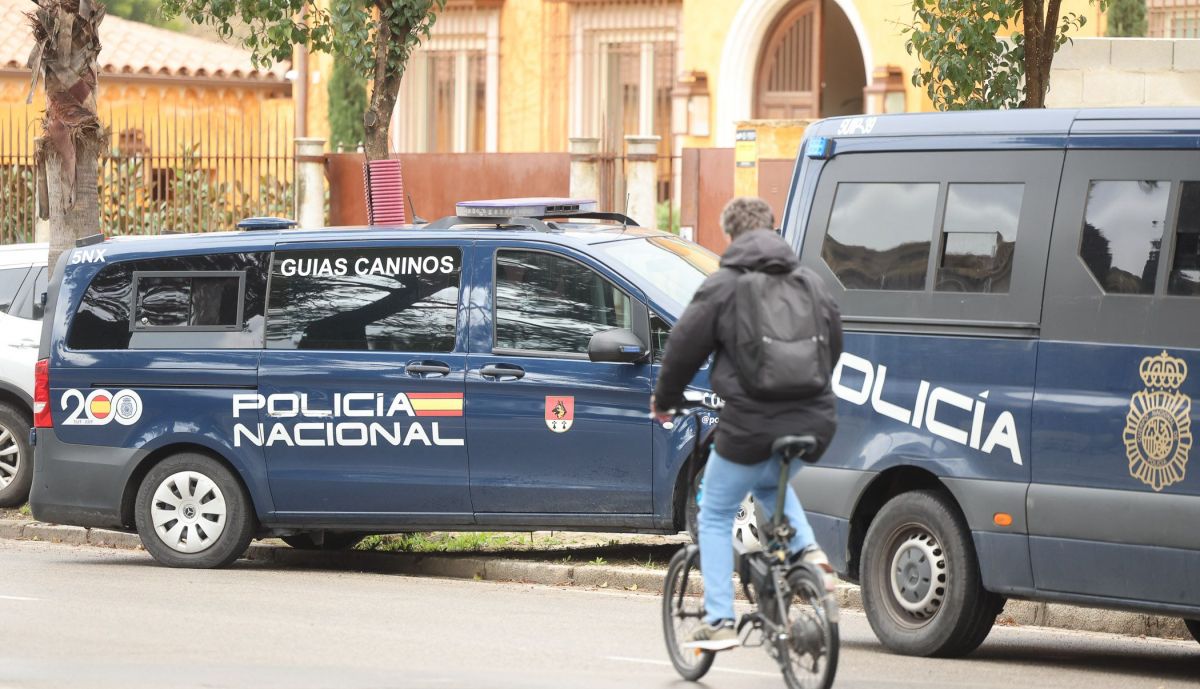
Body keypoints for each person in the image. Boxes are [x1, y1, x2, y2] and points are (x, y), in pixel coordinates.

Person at [651, 197, 843, 651]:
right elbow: (832, 344)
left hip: (752, 424)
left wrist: (666, 399)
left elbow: (683, 347)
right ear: (772, 229)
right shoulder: (811, 283)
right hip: (816, 422)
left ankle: (719, 619)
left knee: (714, 512)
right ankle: (810, 558)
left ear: (731, 237)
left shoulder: (724, 286)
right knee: (771, 484)